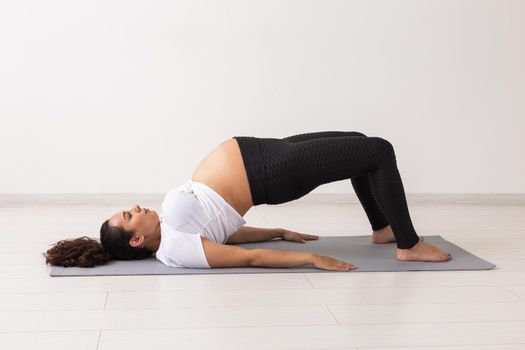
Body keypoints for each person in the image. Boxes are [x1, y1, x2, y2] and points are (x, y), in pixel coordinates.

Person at [44, 131, 452, 271]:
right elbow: (245, 258)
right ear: (136, 240)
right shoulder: (175, 249)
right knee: (378, 150)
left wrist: (276, 231)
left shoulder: (174, 233)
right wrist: (310, 259)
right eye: (130, 215)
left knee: (361, 143)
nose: (137, 207)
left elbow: (225, 236)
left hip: (263, 153)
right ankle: (408, 245)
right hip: (270, 172)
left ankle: (383, 229)